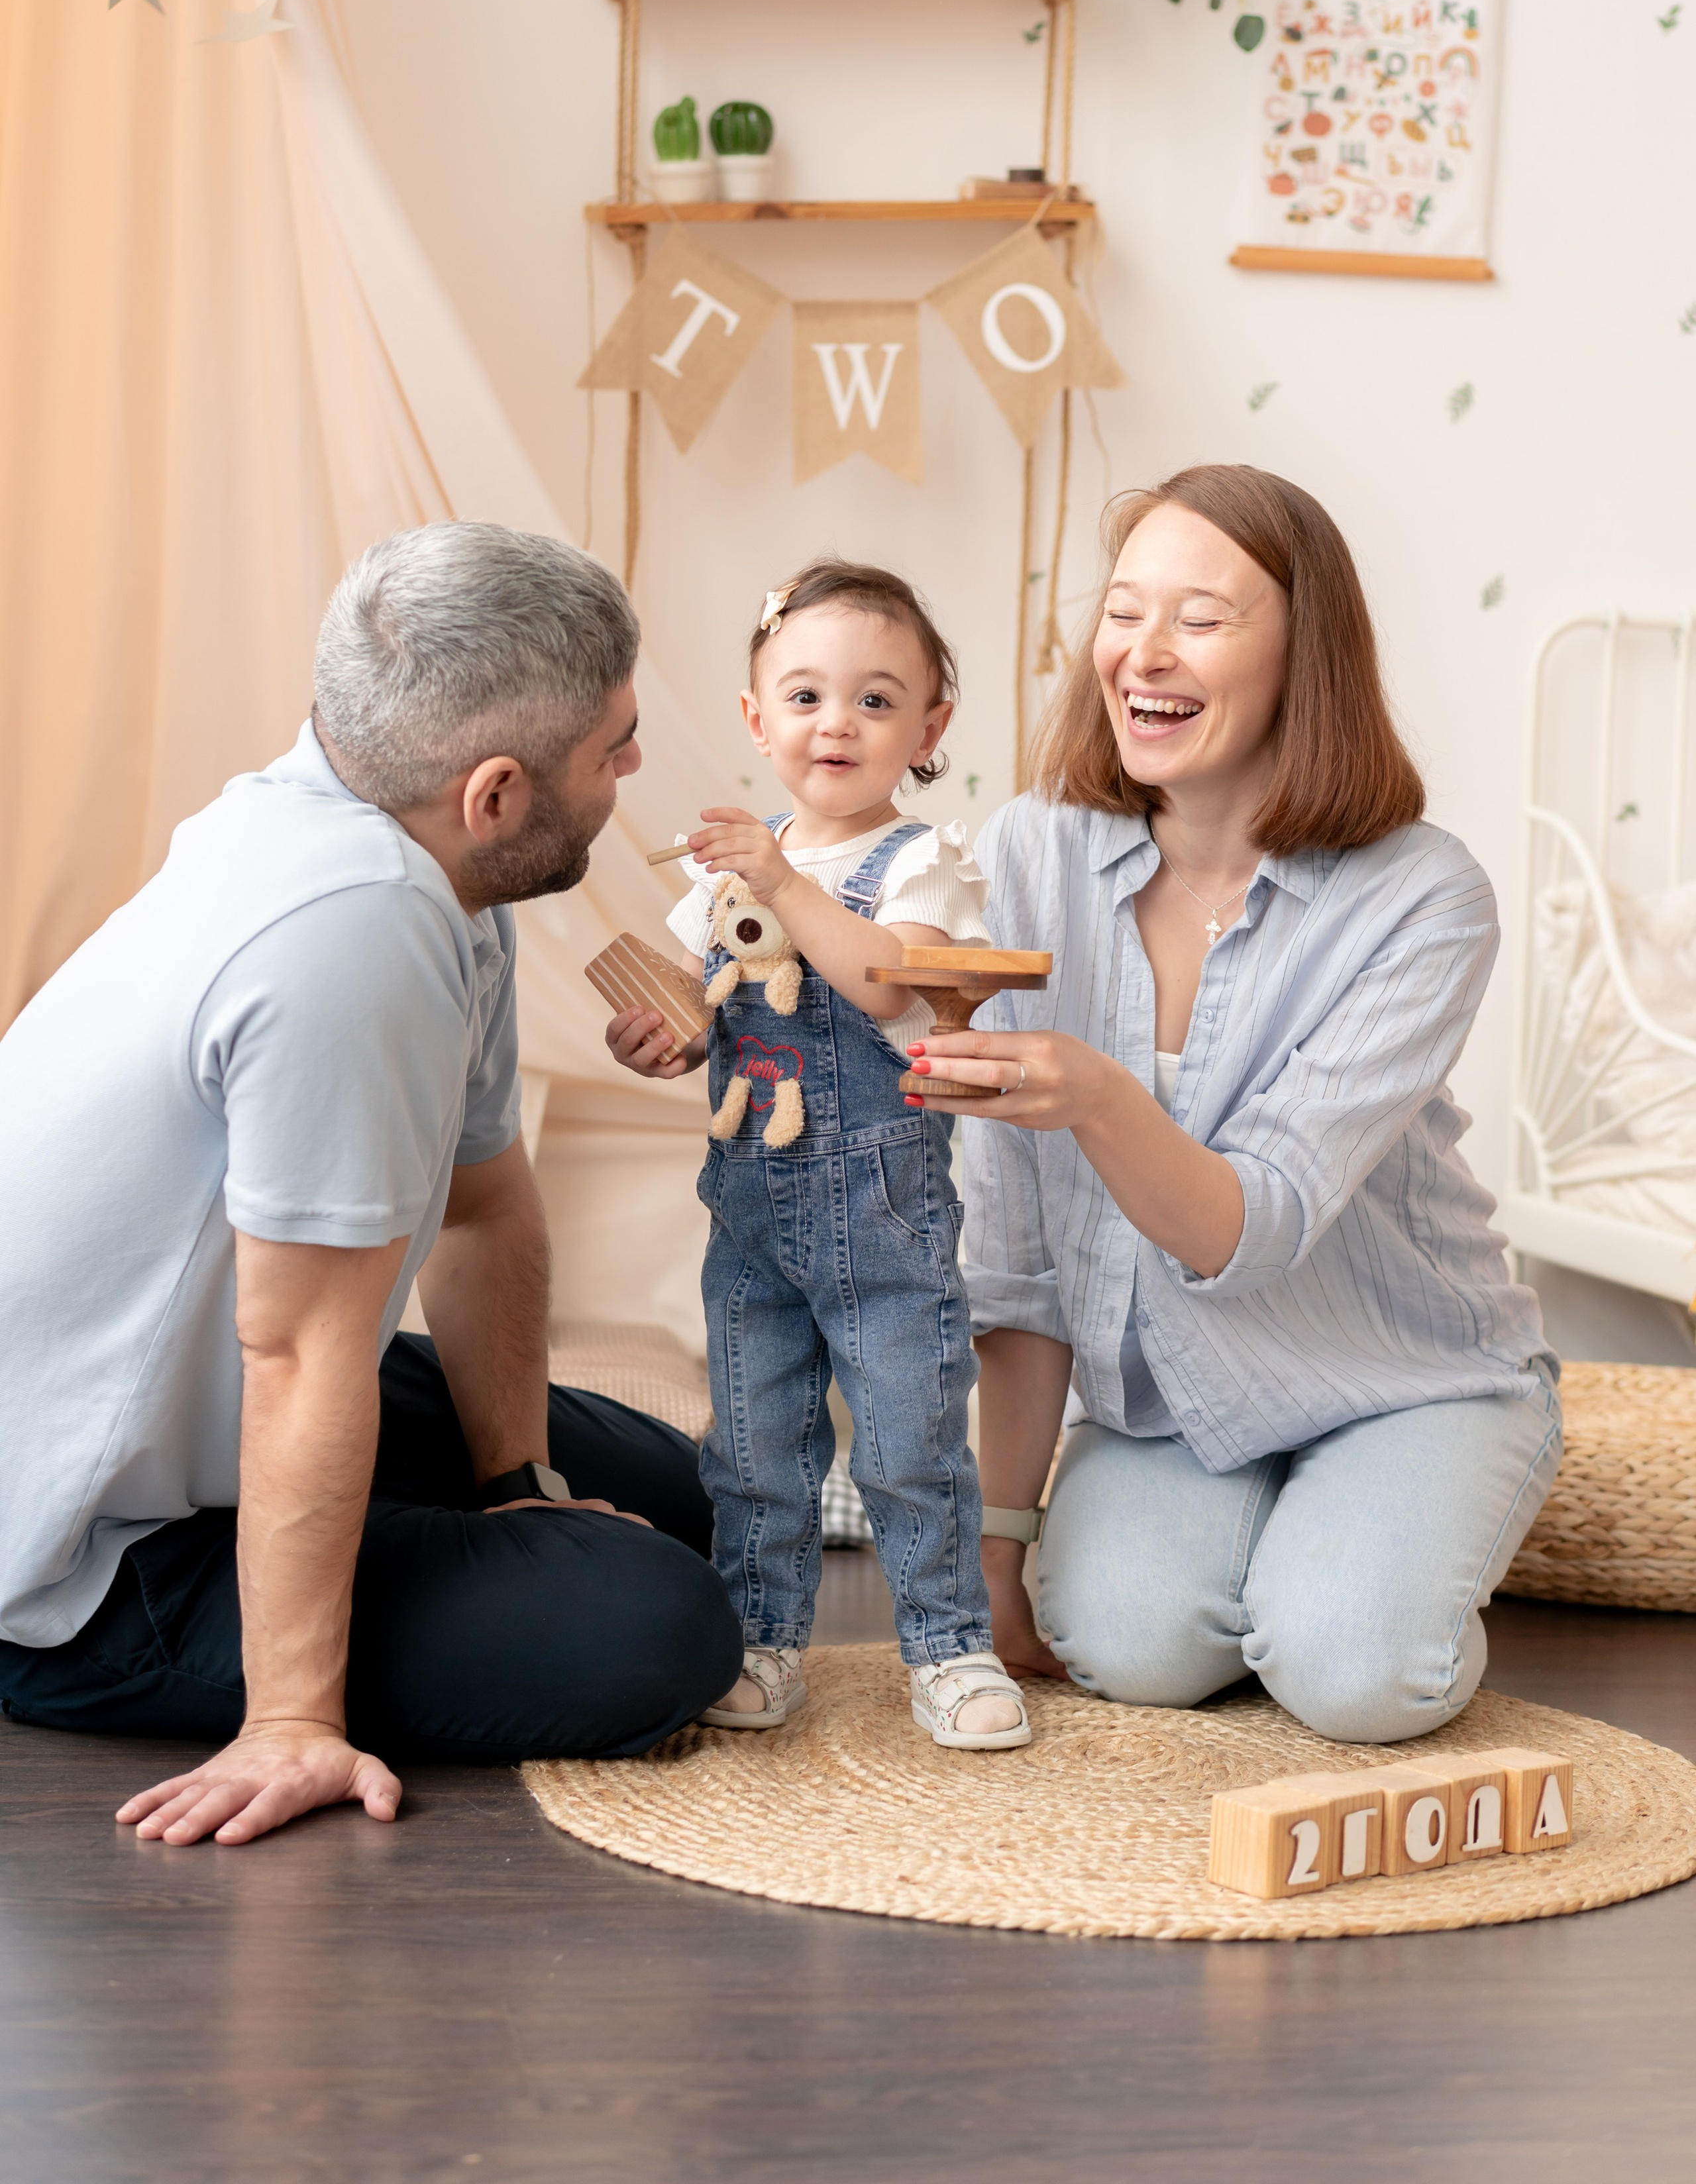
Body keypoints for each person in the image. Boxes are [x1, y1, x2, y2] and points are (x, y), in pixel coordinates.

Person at [0, 521, 742, 1847]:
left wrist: (517, 1478)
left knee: (706, 1501)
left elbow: (481, 1205)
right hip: (69, 1565)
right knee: (655, 1624)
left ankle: (468, 1525)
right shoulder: (353, 931)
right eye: (611, 747)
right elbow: (296, 1353)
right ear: (498, 792)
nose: (636, 765)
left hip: (208, 1399)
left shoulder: (433, 865)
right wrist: (292, 1722)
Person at [904, 466, 1562, 1744]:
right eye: (1125, 611)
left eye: (1200, 620)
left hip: (1399, 1375)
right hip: (1171, 1404)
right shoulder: (1033, 855)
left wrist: (1093, 1093)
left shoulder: (1423, 898)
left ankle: (1370, 1542)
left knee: (1360, 1678)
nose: (1142, 654)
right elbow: (1023, 1263)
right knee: (1124, 1647)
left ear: (1300, 659)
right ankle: (1280, 1554)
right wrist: (996, 1554)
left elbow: (1250, 1225)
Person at [606, 560, 1030, 1749]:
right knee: (753, 1439)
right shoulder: (724, 876)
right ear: (757, 721)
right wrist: (657, 1031)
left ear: (930, 728)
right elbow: (701, 1002)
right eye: (803, 697)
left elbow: (885, 979)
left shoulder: (920, 863)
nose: (835, 723)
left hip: (879, 1200)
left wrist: (782, 877)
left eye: (877, 701)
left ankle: (948, 1648)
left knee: (907, 1438)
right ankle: (762, 1639)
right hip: (749, 1200)